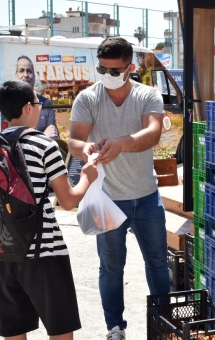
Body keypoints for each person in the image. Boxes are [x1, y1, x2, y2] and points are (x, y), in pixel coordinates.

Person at [68, 37, 168, 340]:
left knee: (158, 264)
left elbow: (153, 134)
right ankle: (115, 328)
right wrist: (86, 149)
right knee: (111, 268)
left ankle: (164, 325)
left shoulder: (148, 95)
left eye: (115, 71)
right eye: (102, 69)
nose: (107, 75)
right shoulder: (88, 98)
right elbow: (74, 140)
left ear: (130, 68)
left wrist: (121, 143)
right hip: (107, 199)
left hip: (147, 197)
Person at [0, 80, 98, 340]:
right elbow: (67, 200)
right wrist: (87, 177)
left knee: (15, 331)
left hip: (3, 251)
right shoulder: (44, 145)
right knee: (60, 329)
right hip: (45, 251)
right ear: (28, 107)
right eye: (38, 103)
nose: (40, 108)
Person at [15, 55, 60, 139]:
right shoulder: (9, 104)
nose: (26, 75)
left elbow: (54, 136)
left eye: (29, 71)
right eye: (21, 71)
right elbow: (10, 140)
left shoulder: (46, 103)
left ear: (34, 77)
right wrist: (43, 136)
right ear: (16, 76)